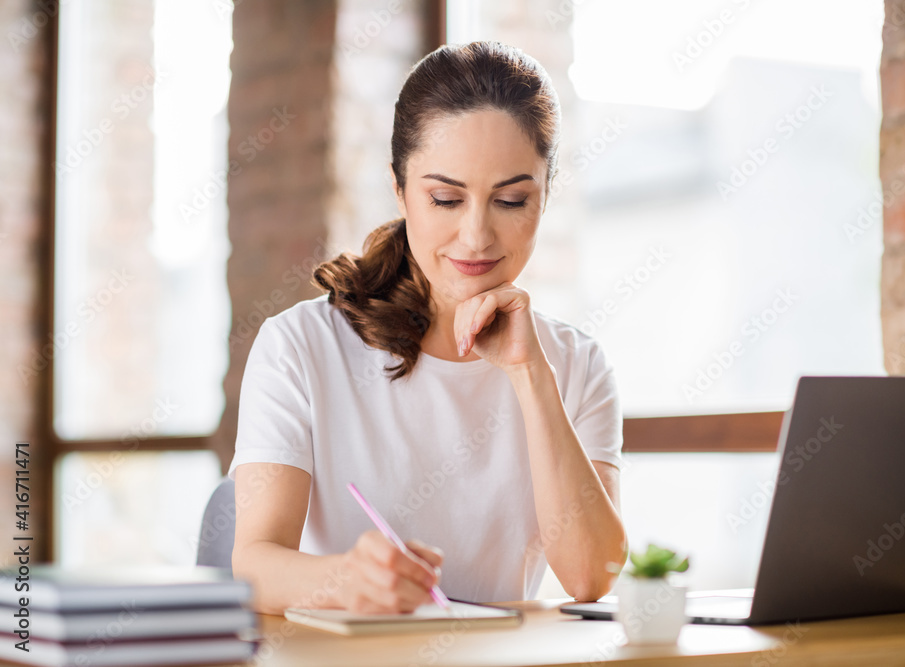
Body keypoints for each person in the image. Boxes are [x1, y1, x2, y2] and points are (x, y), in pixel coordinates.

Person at [229, 40, 627, 616]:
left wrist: (530, 374)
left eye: (512, 200)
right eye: (445, 198)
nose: (476, 236)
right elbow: (254, 563)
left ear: (546, 196)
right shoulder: (302, 347)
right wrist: (348, 580)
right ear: (399, 190)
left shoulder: (576, 364)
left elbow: (593, 577)